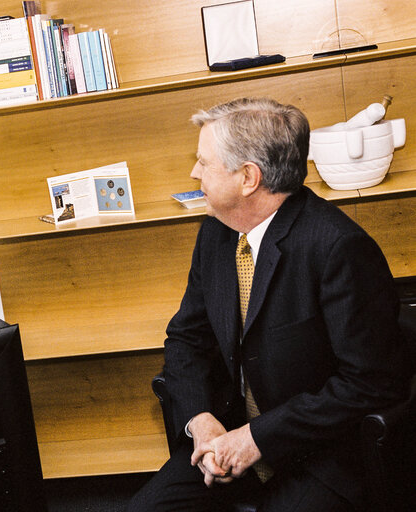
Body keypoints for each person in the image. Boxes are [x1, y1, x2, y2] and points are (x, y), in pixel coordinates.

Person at [129, 98, 408, 511]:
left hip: (317, 453)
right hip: (228, 434)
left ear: (248, 178)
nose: (194, 172)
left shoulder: (338, 248)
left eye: (204, 162)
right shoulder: (216, 234)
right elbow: (186, 339)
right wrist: (200, 421)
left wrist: (258, 438)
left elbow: (370, 382)